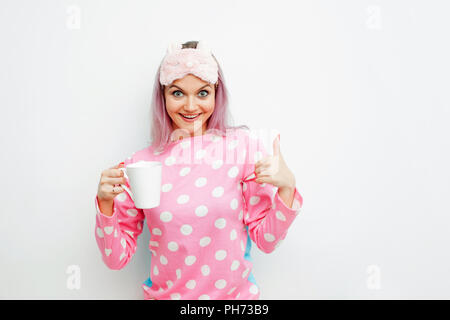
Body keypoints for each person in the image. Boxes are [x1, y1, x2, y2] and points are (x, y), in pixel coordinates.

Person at [94, 40, 303, 300]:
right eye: (178, 93)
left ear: (217, 93)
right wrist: (105, 205)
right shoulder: (141, 164)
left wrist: (287, 187)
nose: (191, 107)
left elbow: (267, 241)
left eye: (202, 93)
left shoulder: (241, 149)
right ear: (163, 96)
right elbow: (116, 259)